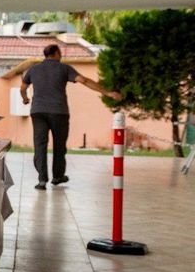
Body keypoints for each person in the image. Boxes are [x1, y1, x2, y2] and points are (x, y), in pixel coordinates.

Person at [20, 43, 121, 190]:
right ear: (56, 53)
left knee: (40, 145)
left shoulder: (33, 69)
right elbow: (84, 80)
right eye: (60, 53)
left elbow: (23, 88)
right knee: (59, 146)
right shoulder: (64, 68)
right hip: (59, 112)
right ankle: (57, 176)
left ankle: (42, 180)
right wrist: (107, 93)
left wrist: (25, 99)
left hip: (38, 111)